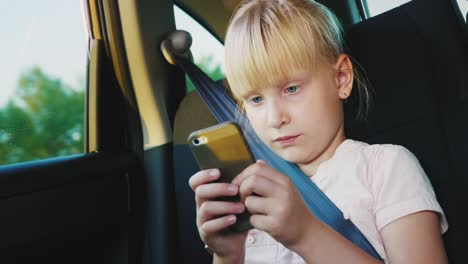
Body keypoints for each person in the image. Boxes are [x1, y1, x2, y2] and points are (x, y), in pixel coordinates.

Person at [188, 0, 448, 263]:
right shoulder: (251, 196)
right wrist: (228, 255)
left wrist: (305, 234)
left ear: (341, 79)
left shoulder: (385, 168)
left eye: (291, 89)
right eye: (255, 99)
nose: (274, 118)